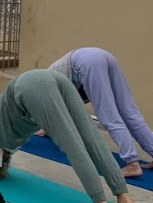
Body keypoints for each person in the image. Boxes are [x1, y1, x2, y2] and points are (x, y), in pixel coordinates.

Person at [0, 69, 139, 203]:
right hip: (51, 80)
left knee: (74, 145)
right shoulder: (11, 142)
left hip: (30, 85)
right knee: (91, 139)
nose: (5, 157)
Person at [49, 48, 153, 177]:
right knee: (130, 113)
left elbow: (51, 111)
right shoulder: (52, 78)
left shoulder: (44, 88)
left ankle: (132, 164)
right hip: (103, 55)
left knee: (109, 116)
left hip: (86, 61)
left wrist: (44, 127)